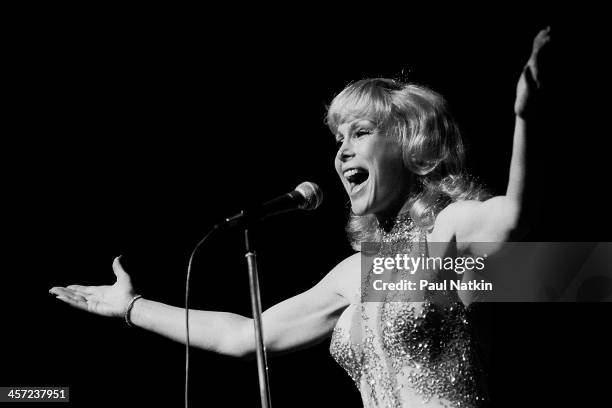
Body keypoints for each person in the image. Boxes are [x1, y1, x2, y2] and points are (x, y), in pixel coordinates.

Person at [49, 28, 551, 408]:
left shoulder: (447, 234)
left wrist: (527, 117)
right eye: (337, 140)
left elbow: (514, 220)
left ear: (410, 143)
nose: (342, 152)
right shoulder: (360, 274)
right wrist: (132, 306)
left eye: (360, 133)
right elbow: (244, 337)